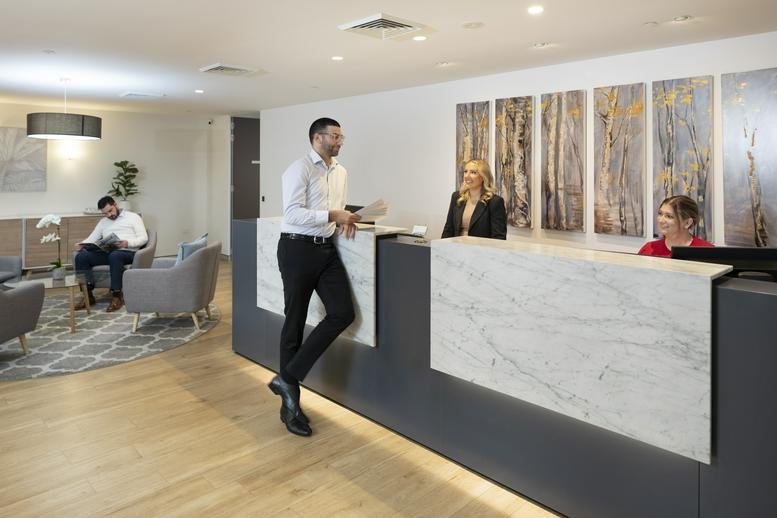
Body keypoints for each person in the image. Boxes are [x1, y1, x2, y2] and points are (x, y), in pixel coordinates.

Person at [268, 117, 361, 437]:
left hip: (326, 250)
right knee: (293, 321)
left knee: (342, 313)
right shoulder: (299, 169)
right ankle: (291, 407)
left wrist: (343, 219)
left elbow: (338, 207)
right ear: (317, 138)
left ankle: (288, 377)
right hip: (296, 250)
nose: (340, 141)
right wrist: (333, 215)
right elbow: (292, 213)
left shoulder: (341, 171)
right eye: (335, 136)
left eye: (341, 136)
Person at [74, 196, 148, 312]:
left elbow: (144, 238)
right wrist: (82, 244)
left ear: (115, 205)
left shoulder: (133, 217)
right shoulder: (103, 222)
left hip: (128, 252)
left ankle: (117, 296)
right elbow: (92, 238)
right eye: (105, 213)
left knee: (115, 255)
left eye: (110, 211)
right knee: (81, 257)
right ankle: (88, 296)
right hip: (109, 252)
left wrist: (127, 243)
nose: (109, 215)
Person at [441, 159, 507, 239]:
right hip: (456, 248)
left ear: (483, 177)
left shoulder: (495, 202)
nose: (467, 176)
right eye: (465, 171)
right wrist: (441, 248)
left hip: (480, 250)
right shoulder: (457, 197)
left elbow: (499, 237)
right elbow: (448, 229)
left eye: (473, 172)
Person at [638, 195, 713, 257]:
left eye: (669, 216)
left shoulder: (707, 252)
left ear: (687, 223)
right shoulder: (648, 249)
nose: (661, 220)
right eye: (660, 214)